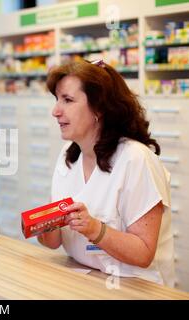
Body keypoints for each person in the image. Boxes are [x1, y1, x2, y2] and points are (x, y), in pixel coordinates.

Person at [39, 59, 175, 286]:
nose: (55, 111)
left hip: (136, 287)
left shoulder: (135, 159)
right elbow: (53, 242)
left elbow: (143, 254)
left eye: (68, 100)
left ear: (99, 108)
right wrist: (42, 224)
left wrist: (94, 228)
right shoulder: (68, 156)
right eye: (57, 100)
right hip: (84, 279)